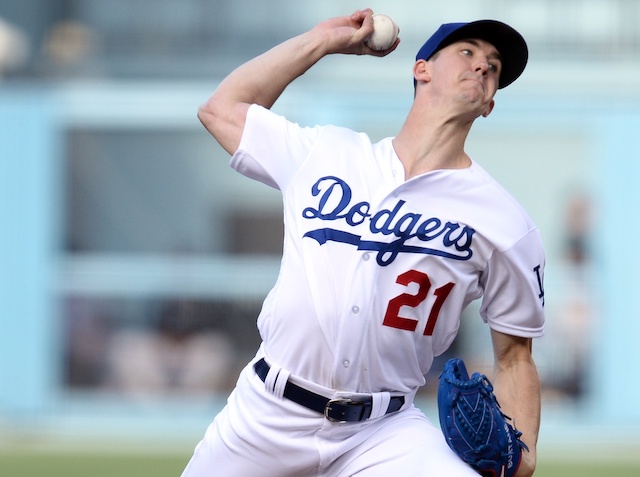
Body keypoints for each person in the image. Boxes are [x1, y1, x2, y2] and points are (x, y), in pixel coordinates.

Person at [182, 8, 545, 477]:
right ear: (422, 69)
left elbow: (515, 356)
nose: (482, 66)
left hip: (383, 433)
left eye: (493, 66)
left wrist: (525, 458)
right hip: (265, 416)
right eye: (468, 52)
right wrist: (321, 41)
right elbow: (221, 109)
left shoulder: (505, 222)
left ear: (490, 103)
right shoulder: (327, 154)